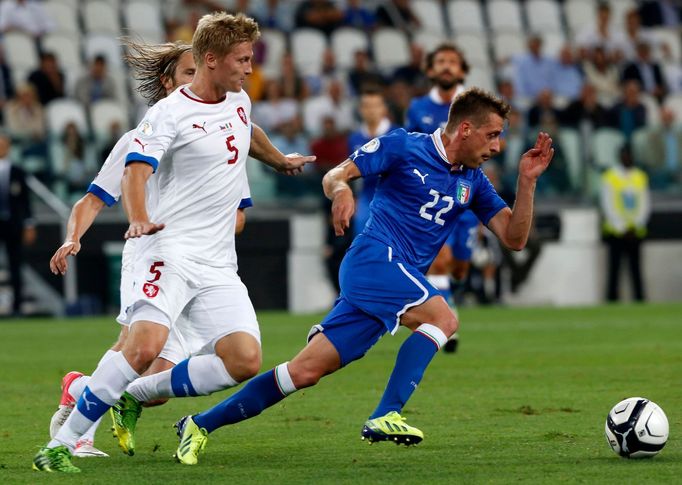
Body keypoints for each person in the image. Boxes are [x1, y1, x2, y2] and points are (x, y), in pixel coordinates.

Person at [168, 88, 554, 466]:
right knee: (444, 318)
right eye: (493, 135)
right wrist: (341, 192)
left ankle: (198, 424)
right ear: (466, 129)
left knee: (303, 371)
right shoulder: (404, 146)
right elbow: (336, 174)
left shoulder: (474, 181)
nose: (497, 146)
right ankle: (386, 413)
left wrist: (527, 182)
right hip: (374, 259)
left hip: (391, 282)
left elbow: (514, 238)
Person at [33, 12, 314, 473]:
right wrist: (137, 219)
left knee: (243, 360)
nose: (249, 69)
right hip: (165, 250)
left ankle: (118, 396)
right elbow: (134, 173)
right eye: (242, 59)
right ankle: (62, 443)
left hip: (217, 263)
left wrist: (279, 161)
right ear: (209, 60)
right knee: (141, 348)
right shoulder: (165, 116)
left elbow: (248, 133)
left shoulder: (237, 100)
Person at [45, 39, 202, 459]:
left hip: (197, 261)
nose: (196, 81)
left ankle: (78, 387)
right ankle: (79, 432)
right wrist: (72, 237)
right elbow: (91, 200)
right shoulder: (140, 138)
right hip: (150, 254)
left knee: (155, 389)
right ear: (167, 83)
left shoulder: (215, 132)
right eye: (188, 73)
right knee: (133, 350)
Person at [405, 42, 476, 353]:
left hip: (469, 195)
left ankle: (449, 299)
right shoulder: (418, 108)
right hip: (433, 198)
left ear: (462, 70)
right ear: (431, 70)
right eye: (441, 61)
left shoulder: (475, 105)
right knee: (441, 260)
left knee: (460, 266)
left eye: (453, 62)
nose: (447, 66)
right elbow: (410, 149)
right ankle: (447, 325)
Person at [600, 144, 650, 302]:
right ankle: (612, 300)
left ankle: (639, 299)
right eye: (625, 155)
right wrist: (621, 227)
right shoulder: (610, 176)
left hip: (635, 232)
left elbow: (644, 204)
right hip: (616, 232)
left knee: (636, 269)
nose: (627, 158)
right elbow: (608, 205)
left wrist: (635, 225)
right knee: (614, 269)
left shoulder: (640, 176)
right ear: (619, 156)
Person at [0, 133, 36, 316]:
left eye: (3, 145)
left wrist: (29, 224)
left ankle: (17, 305)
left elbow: (25, 201)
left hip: (13, 224)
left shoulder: (17, 171)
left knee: (15, 265)